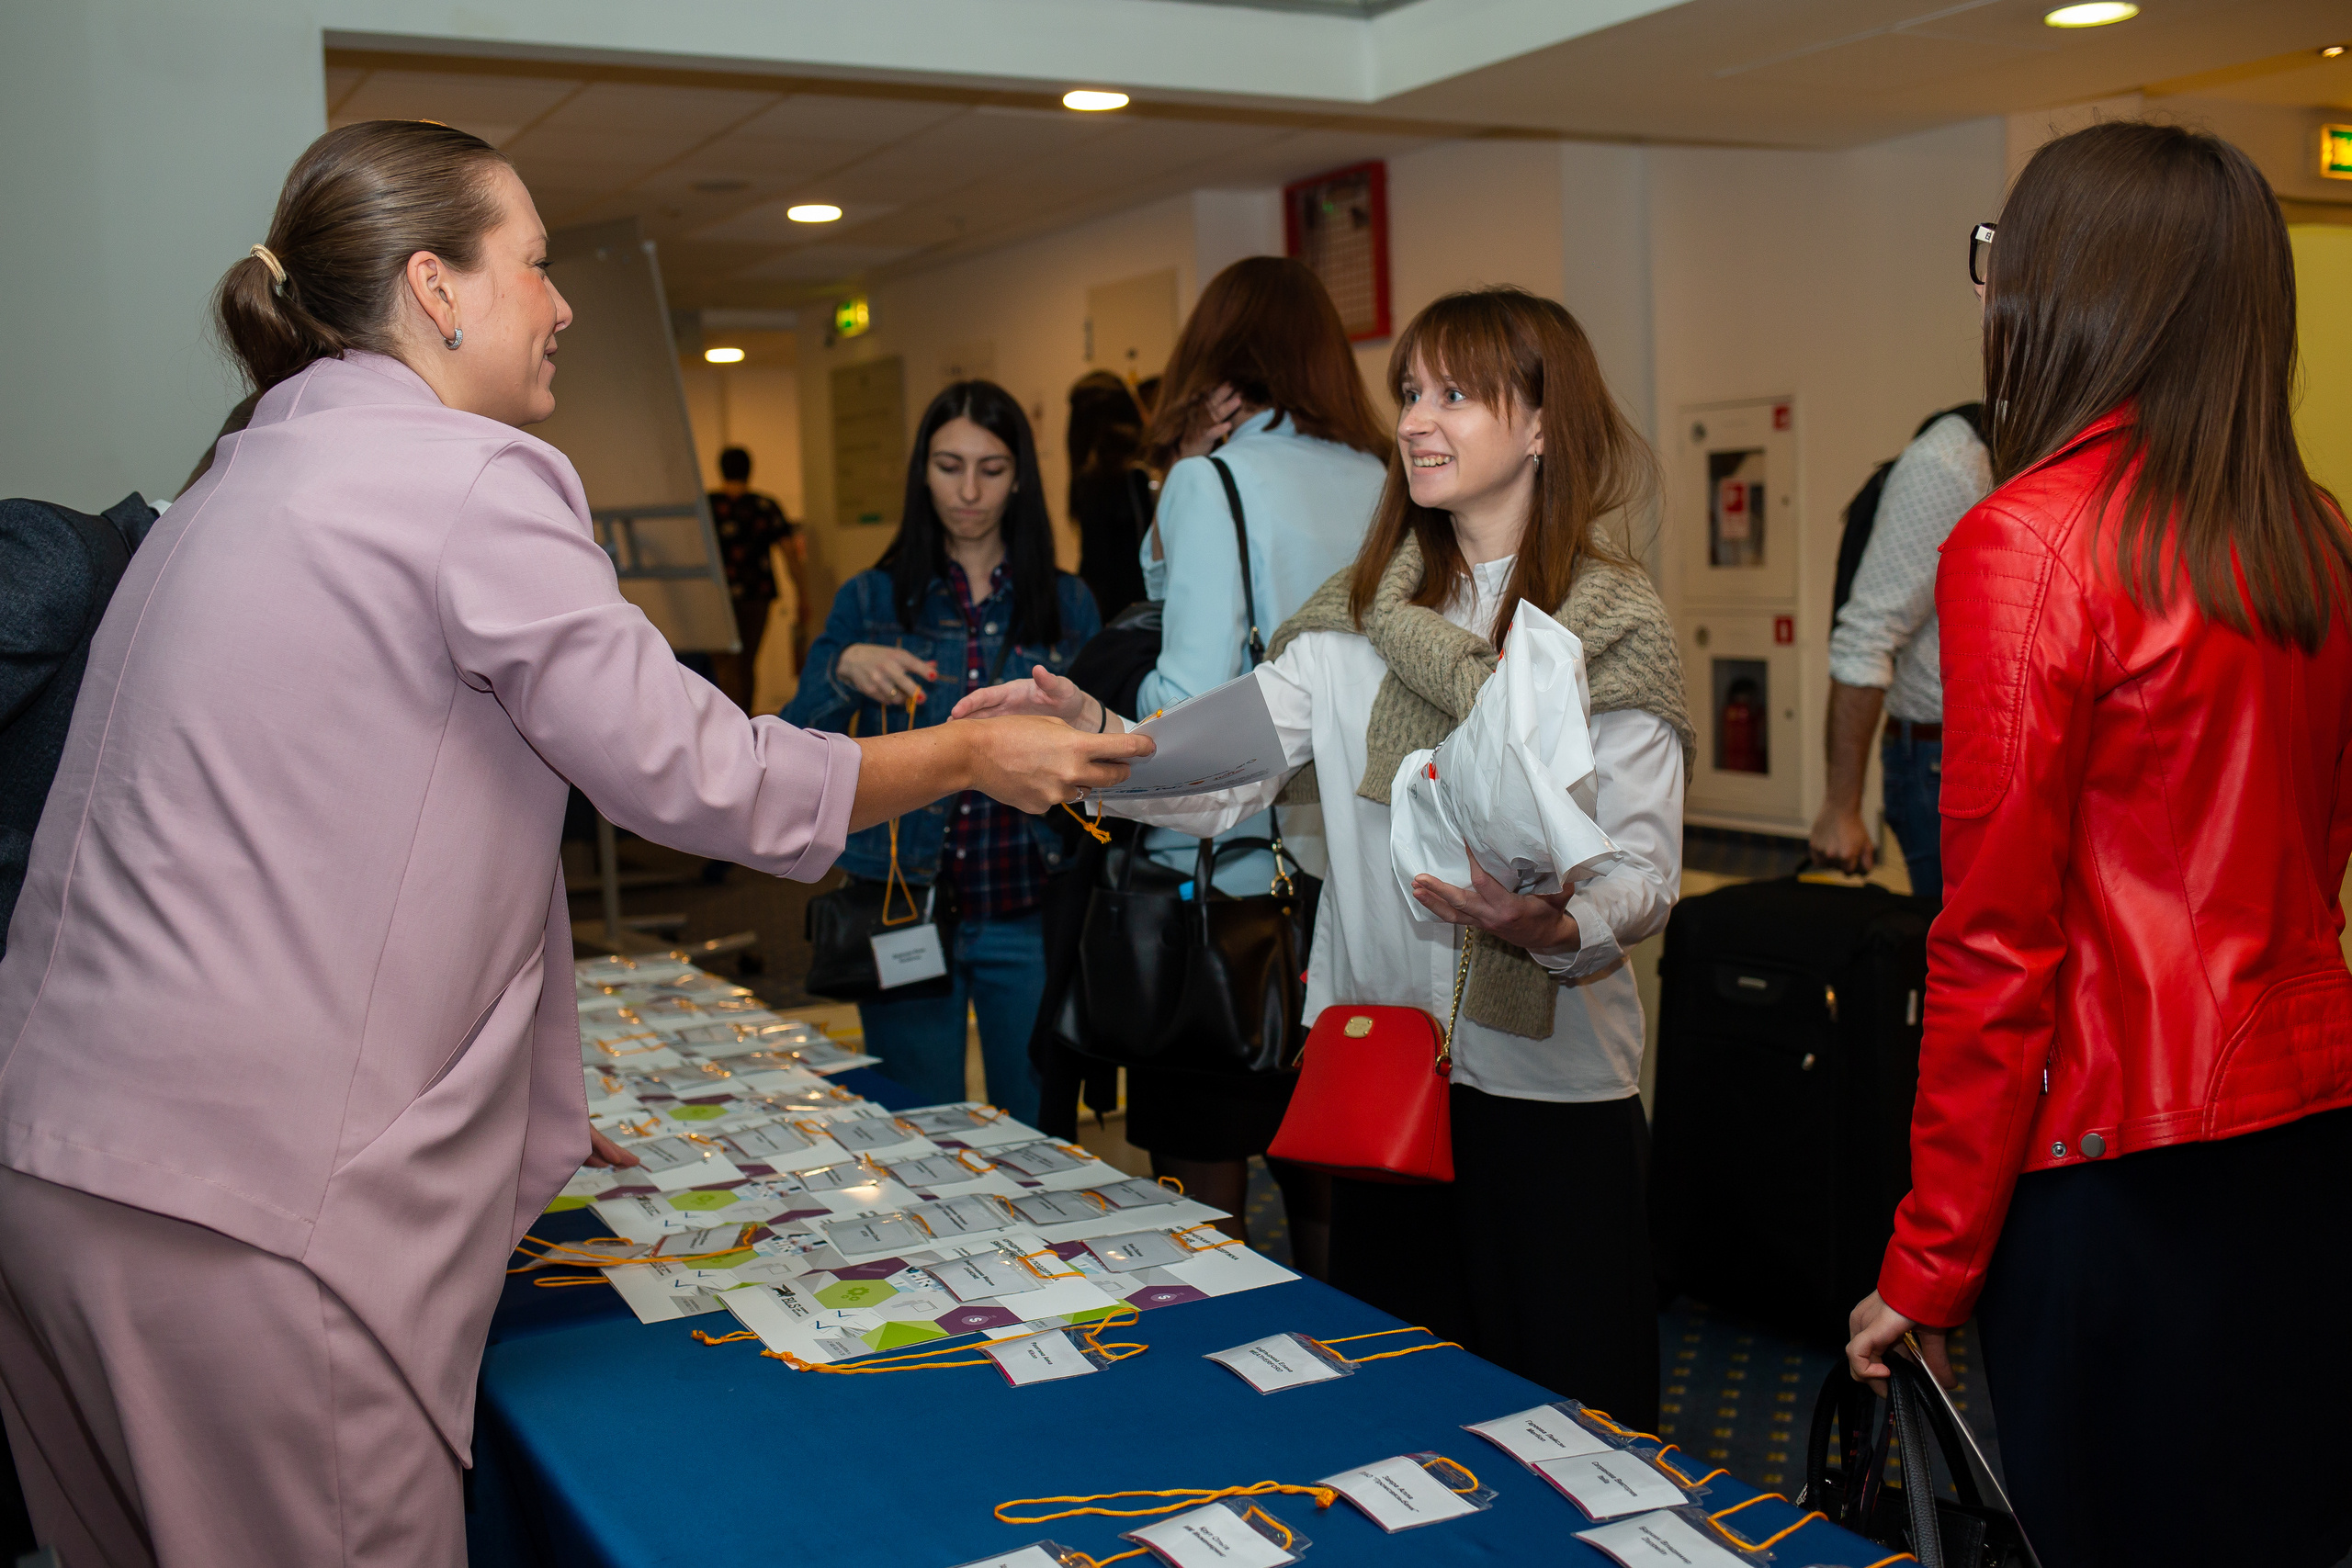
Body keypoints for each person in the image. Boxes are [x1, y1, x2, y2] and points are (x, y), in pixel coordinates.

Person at [0, 121, 1147, 1568]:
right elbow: (701, 771)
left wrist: (524, 1110)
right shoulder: (468, 477)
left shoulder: (239, 476)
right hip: (253, 1218)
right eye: (532, 263)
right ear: (436, 286)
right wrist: (974, 751)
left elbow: (372, 826)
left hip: (57, 1170)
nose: (559, 302)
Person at [962, 288, 1690, 1424]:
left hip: (1553, 1089)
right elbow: (1218, 769)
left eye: (1455, 394)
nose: (1415, 420)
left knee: (1576, 1416)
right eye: (1408, 392)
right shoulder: (1355, 616)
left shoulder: (1609, 621)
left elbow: (1641, 872)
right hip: (1391, 1074)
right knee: (1415, 1414)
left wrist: (1552, 924)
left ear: (1544, 424)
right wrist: (1098, 735)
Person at [1846, 122, 2352, 1568]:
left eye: (2001, 257)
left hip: (2113, 1168)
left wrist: (1930, 1261)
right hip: (2302, 1138)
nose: (1989, 292)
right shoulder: (2311, 533)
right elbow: (2318, 847)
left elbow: (1998, 946)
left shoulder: (2030, 538)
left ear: (2074, 291)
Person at [1080, 256, 1391, 1269]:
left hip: (1227, 885)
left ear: (1216, 360)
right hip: (1363, 882)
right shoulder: (1391, 477)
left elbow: (1191, 704)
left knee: (1200, 1178)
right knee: (1334, 1167)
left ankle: (1215, 1388)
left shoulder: (1211, 482)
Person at [785, 381, 1101, 1126]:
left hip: (1027, 900)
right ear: (920, 473)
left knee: (1037, 1140)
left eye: (990, 469)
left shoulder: (1065, 602)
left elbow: (1100, 760)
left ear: (1020, 475)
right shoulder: (869, 600)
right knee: (912, 1132)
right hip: (899, 905)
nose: (968, 490)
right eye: (948, 465)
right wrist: (842, 667)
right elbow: (792, 743)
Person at [1807, 409, 1992, 902]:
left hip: (1989, 757)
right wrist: (1842, 810)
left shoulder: (2028, 452)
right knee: (1958, 959)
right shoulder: (1950, 462)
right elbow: (1866, 636)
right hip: (1938, 763)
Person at [707, 445, 807, 707]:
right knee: (747, 663)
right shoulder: (764, 505)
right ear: (750, 470)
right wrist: (803, 595)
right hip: (756, 594)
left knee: (724, 665)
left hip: (715, 597)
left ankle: (726, 727)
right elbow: (790, 556)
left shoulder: (708, 505)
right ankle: (743, 723)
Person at [1066, 370, 1153, 622]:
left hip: (1118, 618)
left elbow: (1097, 567)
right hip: (1149, 610)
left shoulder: (1098, 479)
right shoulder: (1144, 468)